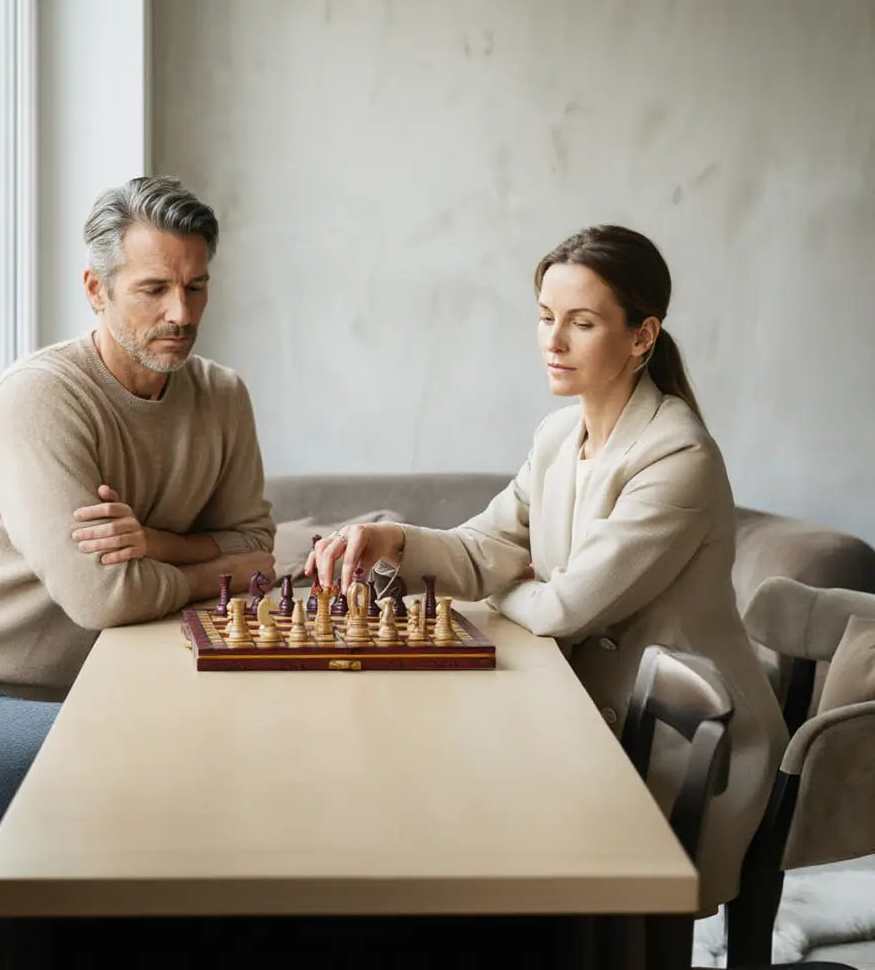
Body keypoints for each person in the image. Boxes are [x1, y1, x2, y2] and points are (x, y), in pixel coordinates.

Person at [307, 224, 787, 912]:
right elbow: (487, 548)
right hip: (591, 718)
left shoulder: (679, 457)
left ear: (642, 336)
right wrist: (392, 540)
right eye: (544, 318)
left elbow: (568, 609)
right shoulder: (558, 435)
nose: (553, 342)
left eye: (581, 323)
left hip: (690, 753)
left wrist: (512, 585)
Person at [0, 176, 275, 827]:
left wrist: (158, 546)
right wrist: (210, 572)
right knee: (159, 757)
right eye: (154, 289)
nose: (182, 314)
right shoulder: (40, 398)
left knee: (252, 741)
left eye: (196, 287)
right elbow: (103, 598)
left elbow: (258, 552)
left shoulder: (223, 397)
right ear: (95, 290)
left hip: (86, 692)